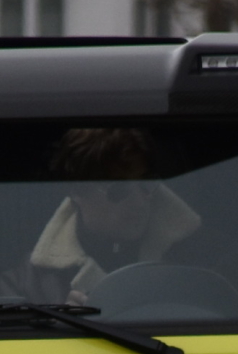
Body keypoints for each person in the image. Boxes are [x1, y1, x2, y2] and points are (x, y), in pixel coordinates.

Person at [22, 126, 207, 306]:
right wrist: (63, 328)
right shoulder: (30, 283)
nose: (140, 202)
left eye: (146, 184)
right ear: (77, 192)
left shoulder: (207, 258)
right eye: (119, 190)